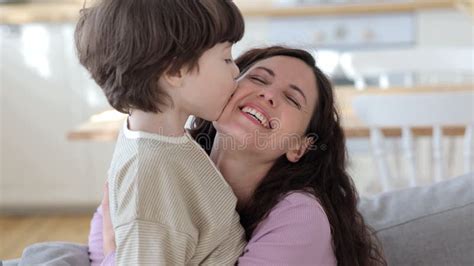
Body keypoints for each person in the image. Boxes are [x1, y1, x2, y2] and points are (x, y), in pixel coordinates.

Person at [90, 46, 387, 265]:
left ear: (298, 146)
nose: (268, 94)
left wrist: (116, 249)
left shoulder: (301, 215)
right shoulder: (165, 161)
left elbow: (111, 239)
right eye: (258, 79)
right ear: (223, 89)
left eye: (292, 99)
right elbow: (99, 232)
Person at [74, 0, 246, 265]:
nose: (236, 71)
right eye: (226, 58)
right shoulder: (151, 173)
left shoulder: (164, 140)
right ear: (175, 70)